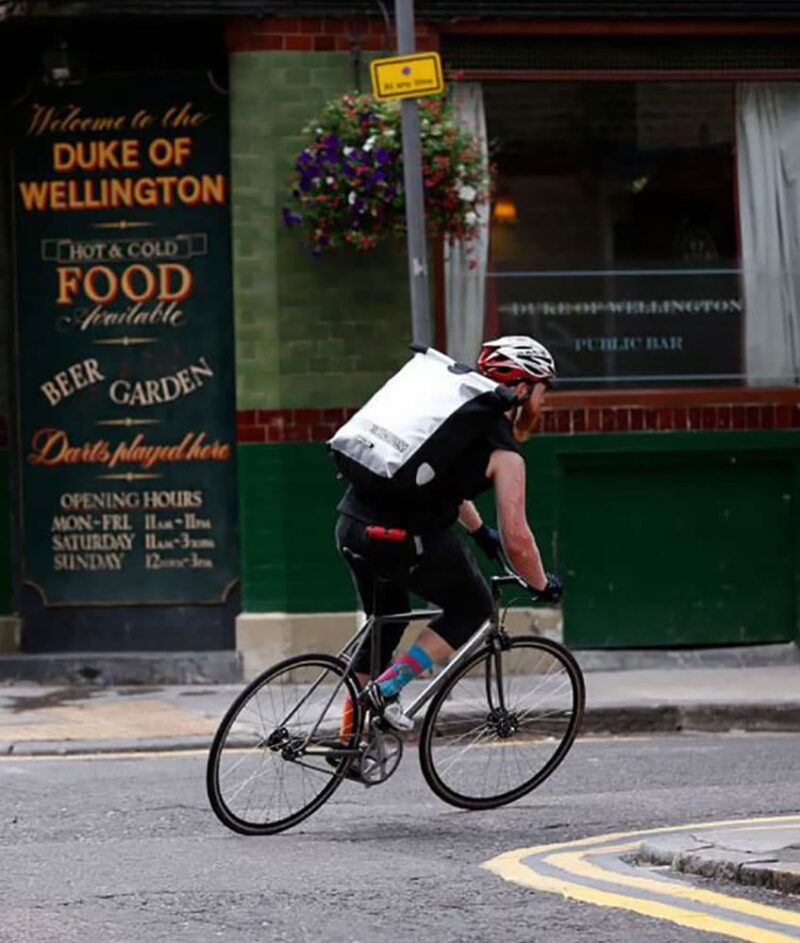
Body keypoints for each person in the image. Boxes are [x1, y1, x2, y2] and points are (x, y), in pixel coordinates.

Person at [334, 335, 563, 739]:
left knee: (384, 624)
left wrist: (478, 531)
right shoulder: (505, 453)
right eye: (543, 390)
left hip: (352, 525)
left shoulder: (450, 416)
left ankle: (347, 740)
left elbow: (440, 484)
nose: (544, 403)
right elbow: (519, 539)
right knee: (472, 607)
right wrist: (540, 583)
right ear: (523, 389)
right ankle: (387, 689)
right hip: (401, 539)